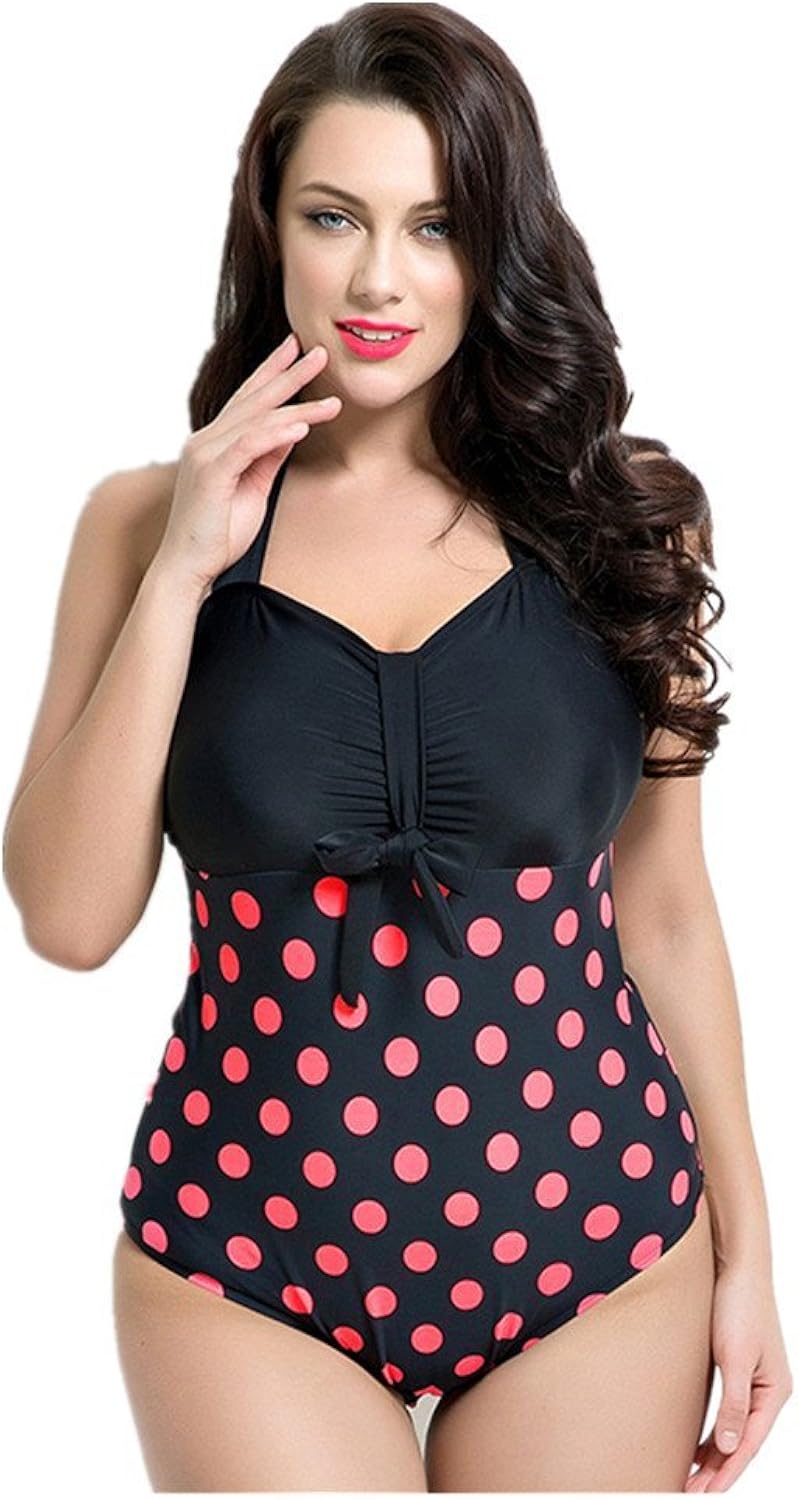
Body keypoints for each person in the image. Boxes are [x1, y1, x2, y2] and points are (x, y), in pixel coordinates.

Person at [3, 2, 791, 1491]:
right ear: (269, 225)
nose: (379, 278)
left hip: (601, 1249)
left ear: (496, 243)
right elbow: (68, 918)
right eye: (334, 216)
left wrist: (750, 1252)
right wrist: (186, 563)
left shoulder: (626, 518)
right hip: (243, 1265)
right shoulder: (138, 523)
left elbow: (670, 909)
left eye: (435, 226)